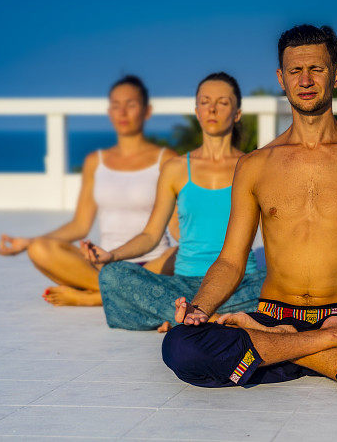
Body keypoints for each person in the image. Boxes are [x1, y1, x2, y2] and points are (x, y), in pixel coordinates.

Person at [161, 25, 337, 399]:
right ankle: (329, 348)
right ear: (281, 78)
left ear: (336, 74)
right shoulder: (255, 165)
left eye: (317, 69)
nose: (305, 80)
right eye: (295, 71)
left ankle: (277, 348)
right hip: (274, 312)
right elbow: (230, 260)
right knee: (180, 344)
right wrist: (200, 308)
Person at [82, 72, 265, 332]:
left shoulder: (253, 166)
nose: (212, 108)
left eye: (223, 102)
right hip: (184, 285)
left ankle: (182, 317)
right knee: (113, 275)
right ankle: (208, 318)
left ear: (236, 113)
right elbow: (151, 234)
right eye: (205, 101)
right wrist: (112, 255)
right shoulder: (175, 169)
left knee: (274, 285)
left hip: (239, 283)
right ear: (196, 110)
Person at [0, 75, 178, 306]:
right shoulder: (95, 161)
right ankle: (118, 293)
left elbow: (177, 227)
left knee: (179, 254)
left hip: (153, 265)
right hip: (103, 266)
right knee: (40, 249)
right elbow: (80, 224)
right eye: (115, 105)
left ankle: (94, 298)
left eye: (131, 105)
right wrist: (28, 242)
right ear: (109, 111)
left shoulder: (167, 160)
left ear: (147, 110)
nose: (122, 112)